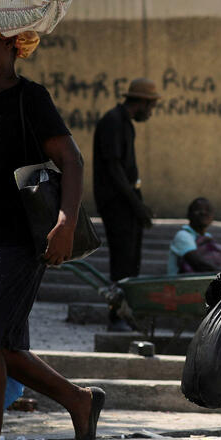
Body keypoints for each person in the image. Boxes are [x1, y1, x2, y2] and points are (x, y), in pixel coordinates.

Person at [0, 14, 104, 440]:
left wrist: (66, 222)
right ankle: (79, 401)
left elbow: (70, 159)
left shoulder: (30, 99)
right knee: (4, 347)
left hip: (19, 240)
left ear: (13, 44)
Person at [93, 77, 159, 329]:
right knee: (121, 263)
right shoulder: (113, 122)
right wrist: (136, 205)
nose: (150, 111)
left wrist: (139, 204)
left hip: (127, 204)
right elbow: (114, 170)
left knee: (131, 263)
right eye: (150, 105)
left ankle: (125, 313)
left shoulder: (125, 123)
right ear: (140, 102)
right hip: (116, 204)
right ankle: (116, 316)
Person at [167, 197, 221, 275]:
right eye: (198, 209)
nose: (203, 212)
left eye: (207, 210)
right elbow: (198, 264)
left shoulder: (207, 237)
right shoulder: (183, 235)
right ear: (189, 215)